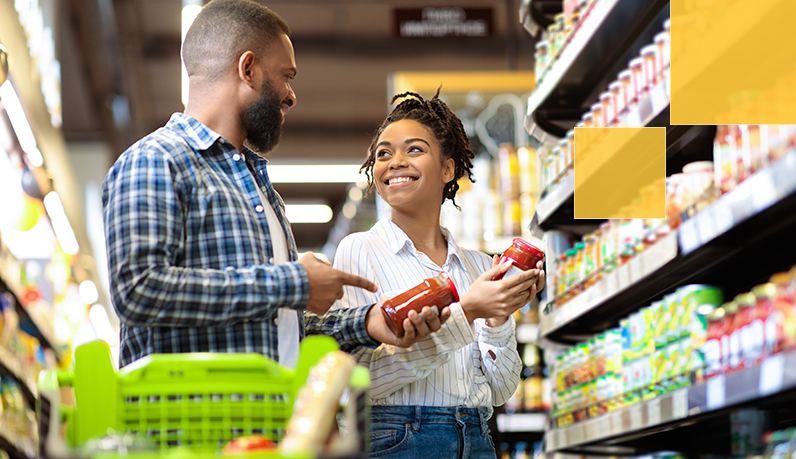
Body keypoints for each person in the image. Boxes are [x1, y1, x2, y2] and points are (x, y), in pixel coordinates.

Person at [101, 0, 446, 369]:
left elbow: (281, 327)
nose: (291, 95)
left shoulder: (260, 191)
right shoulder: (156, 160)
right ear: (248, 69)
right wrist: (293, 281)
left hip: (266, 419)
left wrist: (367, 322)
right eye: (287, 76)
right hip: (187, 422)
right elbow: (138, 291)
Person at [333, 89, 545, 459]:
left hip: (477, 437)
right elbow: (360, 380)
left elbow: (500, 391)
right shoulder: (360, 250)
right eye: (383, 153)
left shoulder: (480, 267)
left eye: (414, 150)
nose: (395, 161)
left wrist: (496, 318)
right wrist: (469, 314)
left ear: (448, 169)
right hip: (396, 440)